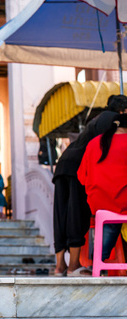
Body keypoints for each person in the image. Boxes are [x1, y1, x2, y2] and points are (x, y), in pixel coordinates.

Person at [53, 94, 127, 277]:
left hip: (64, 163)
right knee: (77, 214)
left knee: (61, 215)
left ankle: (60, 266)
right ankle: (73, 267)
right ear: (123, 111)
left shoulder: (99, 119)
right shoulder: (111, 121)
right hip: (78, 166)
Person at [78, 113, 127, 262]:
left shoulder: (94, 143)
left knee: (109, 229)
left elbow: (81, 176)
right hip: (123, 202)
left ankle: (99, 262)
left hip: (100, 204)